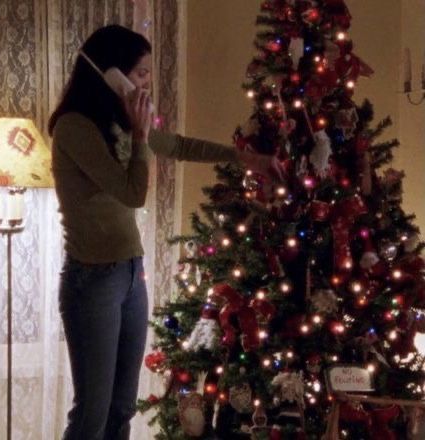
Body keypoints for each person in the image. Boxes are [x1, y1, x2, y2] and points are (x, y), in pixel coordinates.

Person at [49, 24, 280, 440]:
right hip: (92, 281)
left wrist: (245, 159)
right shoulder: (74, 128)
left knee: (122, 406)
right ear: (110, 74)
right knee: (92, 414)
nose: (147, 83)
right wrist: (139, 137)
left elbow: (177, 145)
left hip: (128, 275)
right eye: (140, 73)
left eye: (149, 73)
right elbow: (133, 192)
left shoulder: (118, 121)